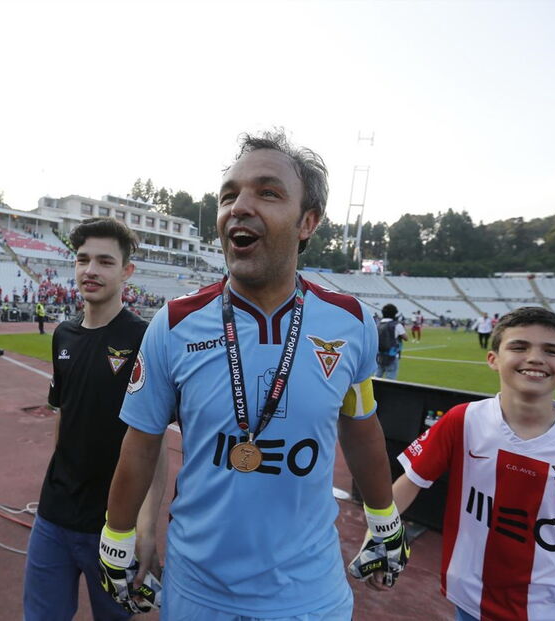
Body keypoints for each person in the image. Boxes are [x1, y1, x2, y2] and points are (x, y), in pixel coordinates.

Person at [101, 130, 408, 619]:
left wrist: (384, 517)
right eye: (229, 194)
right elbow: (141, 441)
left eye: (267, 192)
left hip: (311, 594)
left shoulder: (350, 323)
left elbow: (360, 424)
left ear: (308, 221)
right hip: (198, 591)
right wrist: (117, 536)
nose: (238, 206)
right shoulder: (175, 323)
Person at [391, 307, 555, 620]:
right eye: (519, 347)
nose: (535, 358)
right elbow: (408, 484)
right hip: (471, 599)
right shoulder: (463, 420)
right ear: (493, 359)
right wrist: (378, 536)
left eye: (551, 351)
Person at [24, 217, 167, 620]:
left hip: (112, 524)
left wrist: (146, 527)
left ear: (126, 271)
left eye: (105, 261)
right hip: (53, 515)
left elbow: (153, 444)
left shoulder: (145, 339)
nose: (90, 270)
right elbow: (64, 415)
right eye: (83, 259)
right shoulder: (63, 336)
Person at [376, 303, 407, 379]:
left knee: (377, 377)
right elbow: (405, 337)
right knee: (390, 378)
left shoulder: (378, 324)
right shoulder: (396, 325)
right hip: (392, 355)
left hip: (379, 355)